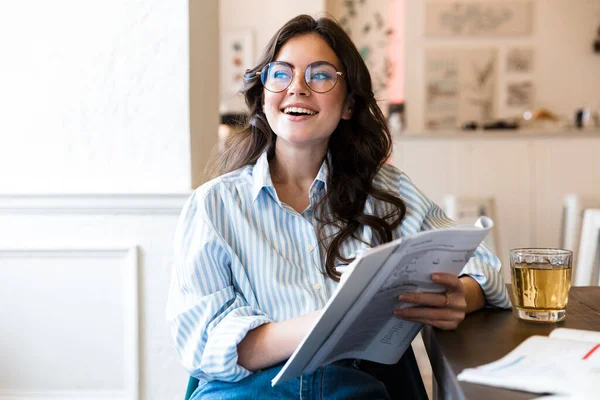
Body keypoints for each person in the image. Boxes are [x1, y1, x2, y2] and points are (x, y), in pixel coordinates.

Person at [167, 14, 510, 400]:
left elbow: (484, 266)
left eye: (320, 75)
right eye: (281, 74)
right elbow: (205, 343)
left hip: (357, 388)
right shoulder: (213, 205)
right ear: (263, 97)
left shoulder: (386, 192)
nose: (297, 87)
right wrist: (334, 320)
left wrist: (461, 296)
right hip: (250, 391)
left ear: (348, 104)